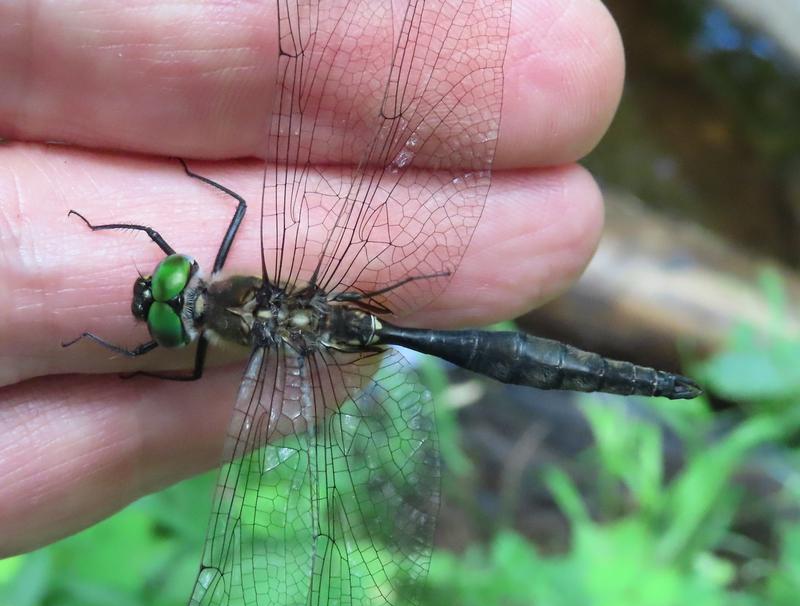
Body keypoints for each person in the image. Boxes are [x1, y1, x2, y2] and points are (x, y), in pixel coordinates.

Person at [0, 0, 625, 557]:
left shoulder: (219, 351)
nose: (166, 290)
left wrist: (136, 359)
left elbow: (171, 355)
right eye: (173, 304)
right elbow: (234, 210)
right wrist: (193, 178)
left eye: (173, 283)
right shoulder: (252, 273)